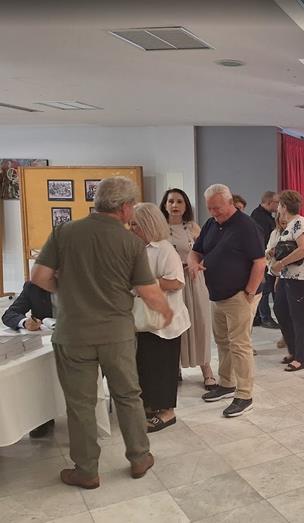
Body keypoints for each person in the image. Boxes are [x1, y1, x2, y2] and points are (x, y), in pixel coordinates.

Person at [31, 176, 172, 489]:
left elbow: (38, 276)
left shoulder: (64, 232)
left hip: (73, 333)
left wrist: (65, 290)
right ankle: (139, 457)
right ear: (124, 208)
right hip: (116, 334)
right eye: (132, 206)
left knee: (80, 404)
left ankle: (86, 470)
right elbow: (148, 290)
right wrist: (166, 311)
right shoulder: (131, 242)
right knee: (128, 396)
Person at [189, 184, 265, 418]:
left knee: (239, 345)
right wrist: (193, 262)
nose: (214, 213)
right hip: (217, 295)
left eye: (218, 208)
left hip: (238, 295)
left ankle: (244, 395)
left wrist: (249, 292)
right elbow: (196, 250)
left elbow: (260, 262)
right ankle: (226, 384)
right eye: (210, 208)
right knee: (222, 342)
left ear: (230, 203)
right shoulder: (211, 224)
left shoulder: (246, 226)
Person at [130, 203, 191, 433]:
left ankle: (167, 412)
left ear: (148, 224)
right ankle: (150, 405)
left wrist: (147, 285)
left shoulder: (164, 249)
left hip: (166, 321)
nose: (131, 228)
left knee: (163, 367)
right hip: (146, 319)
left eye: (136, 225)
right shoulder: (137, 248)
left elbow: (176, 282)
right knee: (146, 365)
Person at [160, 188, 216, 390]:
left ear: (186, 206)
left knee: (200, 323)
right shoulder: (159, 228)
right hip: (170, 283)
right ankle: (174, 368)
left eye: (179, 201)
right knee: (174, 325)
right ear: (164, 205)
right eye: (171, 201)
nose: (174, 205)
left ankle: (207, 370)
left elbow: (207, 252)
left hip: (193, 280)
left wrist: (198, 264)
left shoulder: (193, 227)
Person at [2, 280, 56, 438]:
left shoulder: (77, 280)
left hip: (79, 342)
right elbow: (9, 315)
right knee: (36, 370)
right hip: (46, 343)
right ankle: (43, 416)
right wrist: (25, 322)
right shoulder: (34, 286)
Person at [271, 190, 304, 371]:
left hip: (299, 276)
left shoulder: (299, 223)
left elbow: (303, 249)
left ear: (283, 206)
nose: (277, 209)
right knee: (280, 310)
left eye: (279, 205)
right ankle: (293, 350)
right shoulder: (289, 225)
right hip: (287, 275)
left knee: (297, 316)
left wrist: (281, 263)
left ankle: (302, 357)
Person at [250, 191, 280, 329]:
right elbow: (261, 240)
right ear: (269, 202)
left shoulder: (265, 215)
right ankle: (265, 318)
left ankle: (258, 317)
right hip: (263, 258)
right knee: (265, 290)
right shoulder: (259, 216)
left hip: (267, 258)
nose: (279, 205)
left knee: (266, 289)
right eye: (277, 202)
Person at [265, 213, 289, 352]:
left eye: (285, 221)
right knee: (278, 307)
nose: (283, 224)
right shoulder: (274, 233)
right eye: (281, 221)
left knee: (286, 307)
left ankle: (289, 335)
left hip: (286, 273)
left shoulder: (293, 233)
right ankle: (285, 333)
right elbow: (268, 249)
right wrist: (269, 252)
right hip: (273, 271)